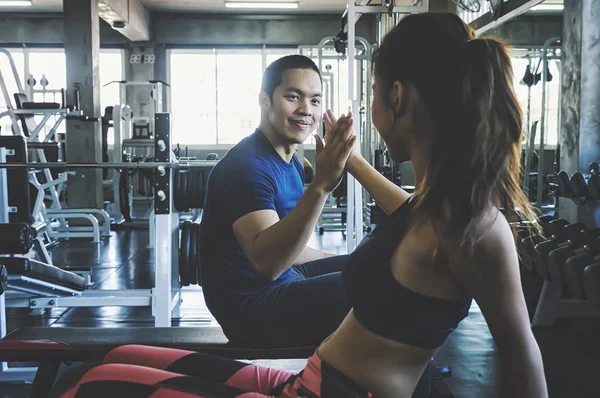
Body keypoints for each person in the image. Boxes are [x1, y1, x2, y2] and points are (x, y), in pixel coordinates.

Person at [53, 12, 548, 398]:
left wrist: (332, 175)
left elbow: (522, 353)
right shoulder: (440, 210)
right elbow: (409, 211)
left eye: (373, 94)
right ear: (266, 101)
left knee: (91, 386)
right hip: (305, 379)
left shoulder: (472, 227)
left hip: (317, 391)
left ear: (396, 98)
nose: (312, 110)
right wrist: (344, 166)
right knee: (115, 357)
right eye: (295, 97)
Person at [198, 55, 353, 348]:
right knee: (374, 286)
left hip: (284, 280)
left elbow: (289, 250)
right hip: (253, 308)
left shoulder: (290, 160)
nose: (306, 109)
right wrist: (321, 186)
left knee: (375, 267)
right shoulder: (246, 166)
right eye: (293, 97)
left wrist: (352, 262)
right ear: (265, 100)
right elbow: (268, 264)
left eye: (315, 101)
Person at [101, 106, 113, 180]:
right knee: (103, 169)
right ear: (108, 114)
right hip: (100, 149)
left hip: (104, 149)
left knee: (105, 168)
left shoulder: (106, 122)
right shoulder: (101, 121)